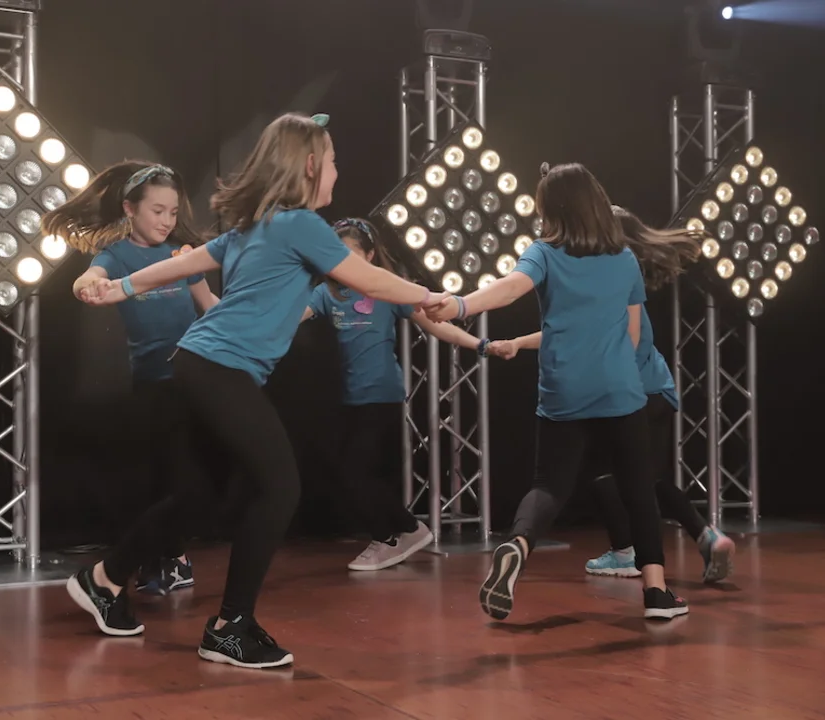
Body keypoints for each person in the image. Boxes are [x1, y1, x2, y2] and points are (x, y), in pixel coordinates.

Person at [66, 113, 448, 669]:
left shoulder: (258, 226)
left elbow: (186, 263)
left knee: (200, 497)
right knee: (279, 487)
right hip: (218, 368)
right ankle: (230, 627)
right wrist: (430, 295)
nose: (338, 171)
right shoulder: (300, 225)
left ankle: (104, 579)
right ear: (310, 165)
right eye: (333, 160)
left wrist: (121, 286)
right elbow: (366, 278)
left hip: (197, 363)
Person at [427, 163, 689, 620]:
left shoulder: (544, 254)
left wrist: (461, 304)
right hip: (619, 390)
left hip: (564, 390)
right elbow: (632, 336)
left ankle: (518, 544)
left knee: (549, 486)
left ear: (552, 210)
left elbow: (510, 289)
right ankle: (656, 593)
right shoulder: (624, 258)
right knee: (637, 490)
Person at [490, 206, 735, 584]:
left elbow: (574, 334)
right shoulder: (622, 281)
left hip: (626, 396)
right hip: (658, 390)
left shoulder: (609, 284)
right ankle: (706, 535)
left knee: (602, 473)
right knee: (646, 479)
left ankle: (626, 552)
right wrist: (519, 343)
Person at [43, 161, 218, 595]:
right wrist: (86, 285)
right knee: (156, 476)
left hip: (193, 379)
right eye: (157, 211)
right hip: (151, 385)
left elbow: (210, 304)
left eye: (173, 212)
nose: (167, 221)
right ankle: (161, 559)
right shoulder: (118, 254)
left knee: (186, 474)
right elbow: (91, 276)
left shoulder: (181, 255)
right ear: (129, 208)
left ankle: (175, 559)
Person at [302, 217, 492, 571]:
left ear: (370, 255)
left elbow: (438, 326)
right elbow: (289, 318)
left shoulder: (387, 290)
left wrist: (480, 344)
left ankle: (401, 532)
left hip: (383, 393)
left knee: (356, 473)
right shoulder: (327, 293)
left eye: (351, 254)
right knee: (350, 474)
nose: (343, 263)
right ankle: (396, 534)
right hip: (350, 398)